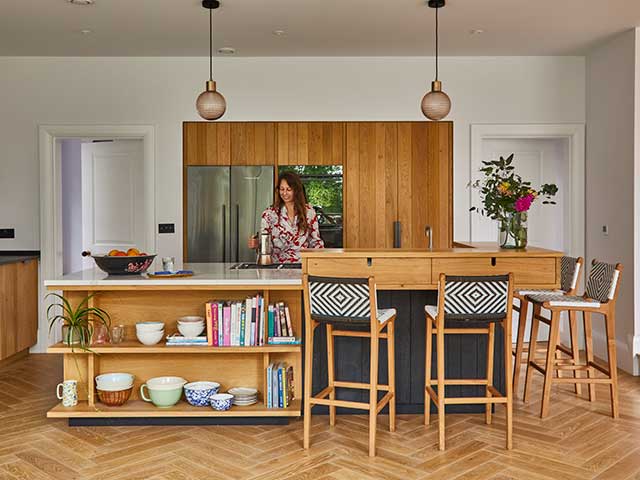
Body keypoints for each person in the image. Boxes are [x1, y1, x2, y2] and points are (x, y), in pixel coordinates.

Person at [248, 171, 324, 263]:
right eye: (282, 189)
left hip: (302, 266)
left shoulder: (309, 212)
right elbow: (266, 246)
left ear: (296, 190)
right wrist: (257, 245)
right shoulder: (269, 214)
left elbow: (315, 242)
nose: (284, 193)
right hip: (276, 267)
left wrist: (320, 262)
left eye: (288, 189)